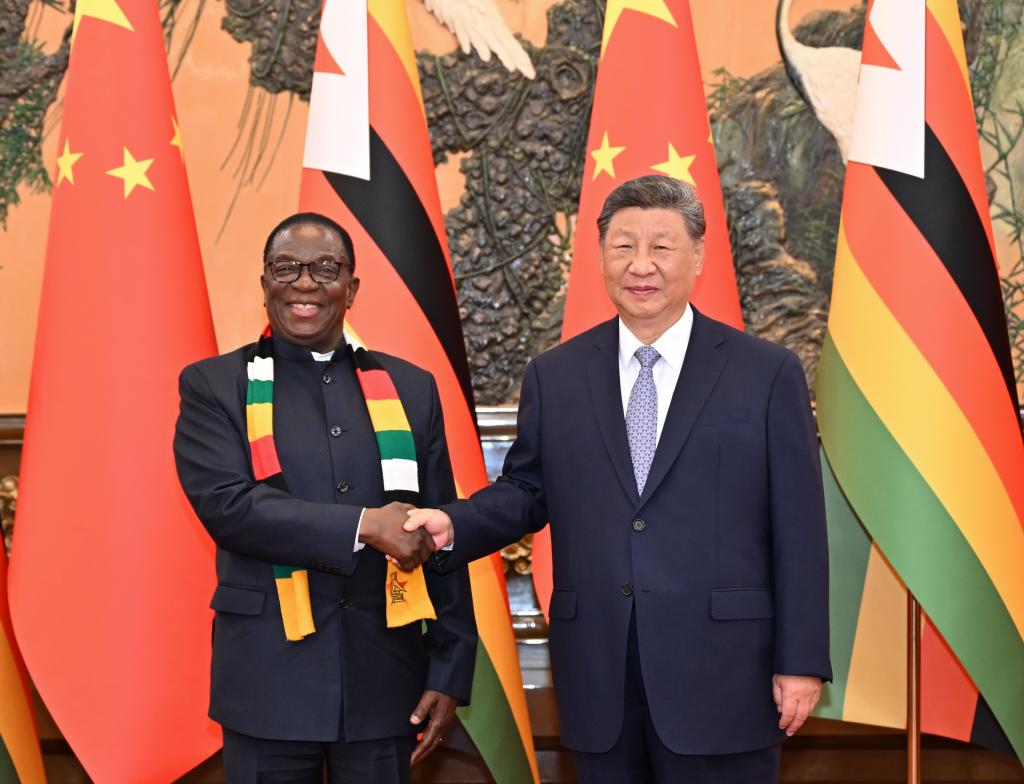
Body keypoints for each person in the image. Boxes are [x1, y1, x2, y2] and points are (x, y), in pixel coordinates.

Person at [407, 175, 831, 783]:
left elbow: (799, 530)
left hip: (725, 674)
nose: (641, 264)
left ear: (698, 256)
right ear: (601, 256)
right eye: (623, 245)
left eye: (661, 246)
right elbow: (527, 490)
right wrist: (454, 522)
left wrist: (801, 662)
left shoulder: (766, 374)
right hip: (599, 670)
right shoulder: (555, 376)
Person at [173, 212, 476, 783]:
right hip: (268, 684)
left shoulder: (412, 389)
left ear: (351, 287)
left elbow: (440, 533)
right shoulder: (215, 386)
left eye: (325, 269)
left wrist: (448, 667)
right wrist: (364, 525)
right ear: (265, 283)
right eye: (286, 268)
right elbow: (230, 509)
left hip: (386, 681)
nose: (305, 284)